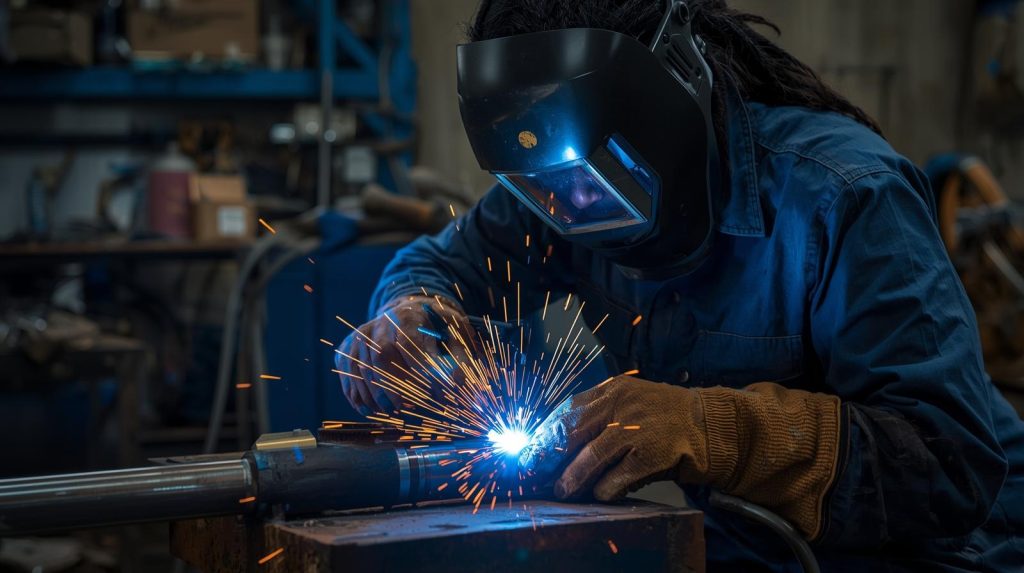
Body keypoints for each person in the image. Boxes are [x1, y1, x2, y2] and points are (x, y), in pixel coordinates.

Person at [336, 1, 1024, 570]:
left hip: (959, 551)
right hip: (753, 547)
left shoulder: (841, 196)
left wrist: (711, 428)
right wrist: (412, 312)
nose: (571, 209)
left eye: (588, 175)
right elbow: (443, 264)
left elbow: (949, 464)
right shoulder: (555, 185)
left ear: (672, 91)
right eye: (540, 188)